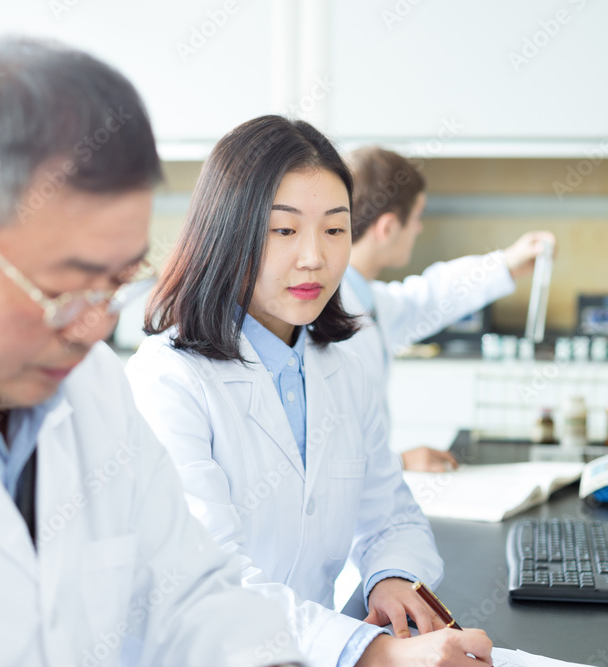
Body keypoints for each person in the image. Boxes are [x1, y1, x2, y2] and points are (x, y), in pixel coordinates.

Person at [0, 40, 304, 667]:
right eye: (61, 289)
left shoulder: (94, 388)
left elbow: (190, 597)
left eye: (115, 284)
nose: (91, 330)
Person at [125, 115, 492, 667]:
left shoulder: (342, 366)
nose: (314, 257)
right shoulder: (168, 379)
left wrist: (391, 578)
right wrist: (379, 656)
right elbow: (209, 582)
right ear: (228, 232)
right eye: (284, 230)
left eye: (335, 229)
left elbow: (391, 515)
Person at [341, 146, 556, 472]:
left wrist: (505, 264)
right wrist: (401, 462)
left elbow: (426, 299)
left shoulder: (368, 299)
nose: (419, 228)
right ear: (387, 228)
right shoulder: (327, 313)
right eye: (417, 217)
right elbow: (326, 457)